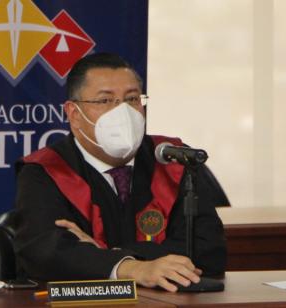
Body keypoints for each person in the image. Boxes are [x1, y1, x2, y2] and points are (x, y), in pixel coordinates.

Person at [12, 52, 227, 292]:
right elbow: (45, 255)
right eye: (105, 101)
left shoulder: (173, 161)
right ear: (74, 114)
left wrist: (106, 254)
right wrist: (134, 269)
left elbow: (209, 252)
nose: (123, 112)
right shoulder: (46, 170)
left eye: (132, 99)